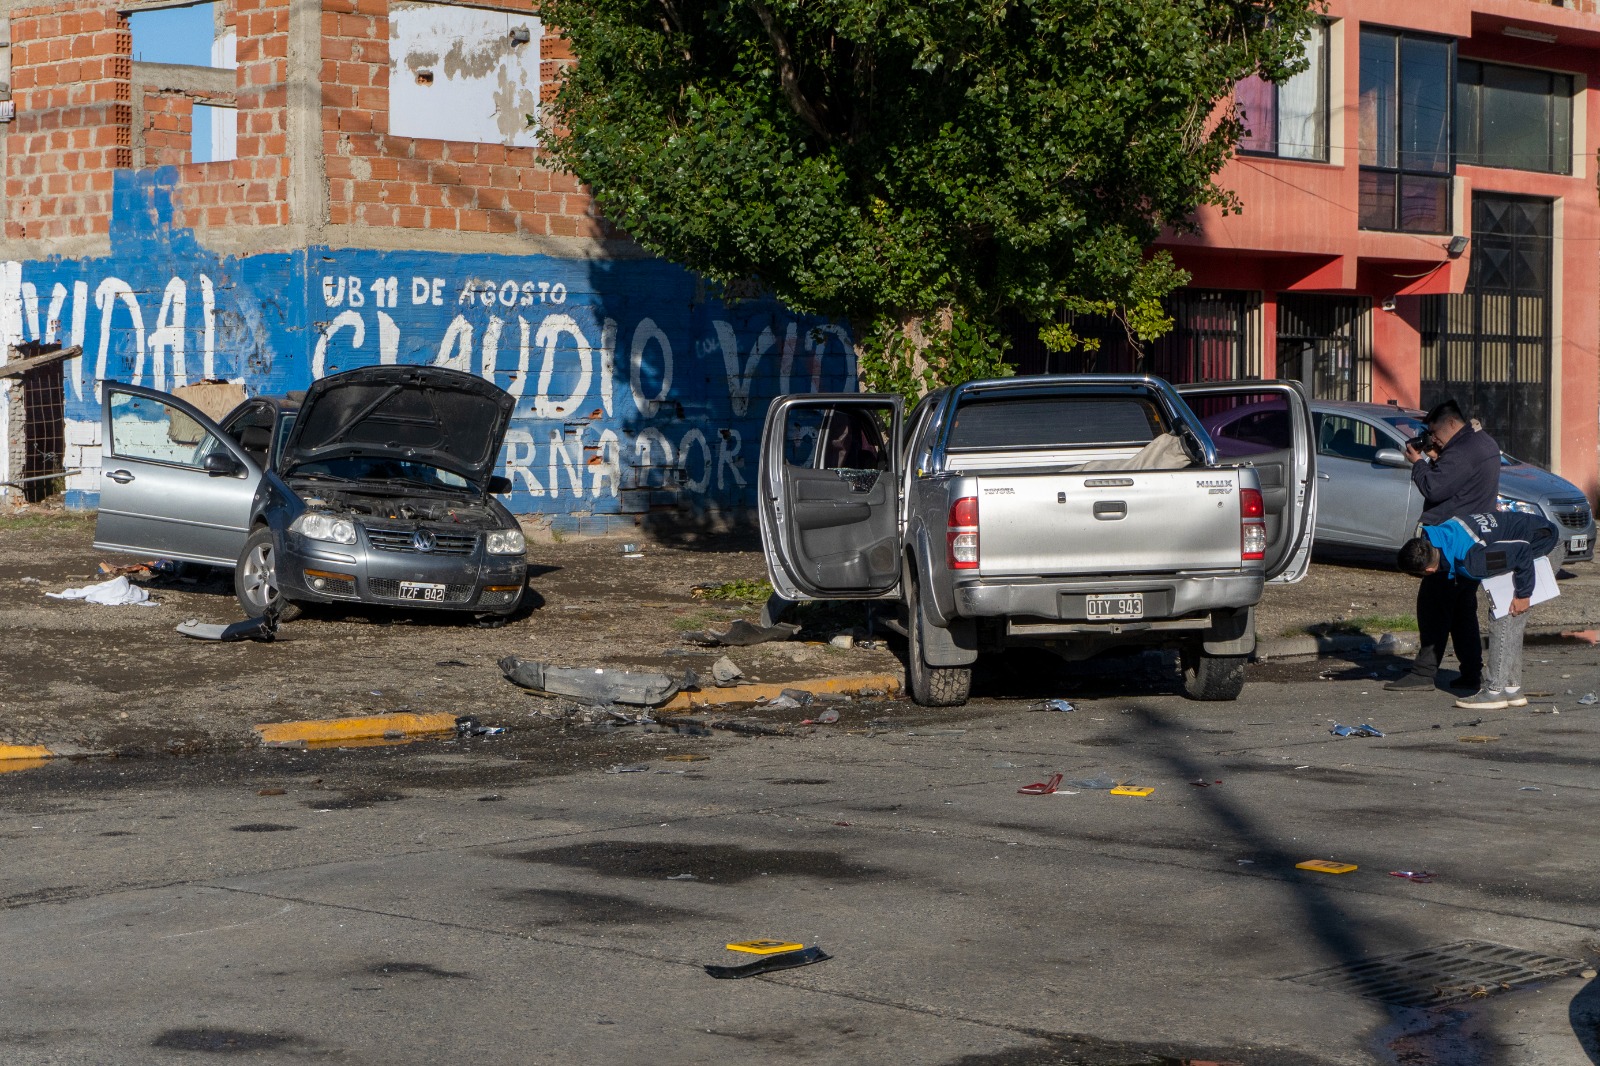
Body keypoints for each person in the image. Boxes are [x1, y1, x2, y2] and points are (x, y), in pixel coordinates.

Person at [1384, 399, 1500, 693]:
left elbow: (1434, 488)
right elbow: (1457, 485)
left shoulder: (1462, 451)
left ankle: (1423, 673)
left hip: (1448, 543)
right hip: (1471, 543)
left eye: (1434, 432)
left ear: (1451, 423)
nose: (1432, 438)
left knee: (1433, 607)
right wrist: (1436, 459)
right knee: (1462, 611)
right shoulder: (1483, 443)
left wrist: (1419, 463)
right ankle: (1471, 672)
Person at [1397, 510, 1560, 709]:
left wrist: (1523, 595)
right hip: (1533, 533)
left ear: (1429, 570)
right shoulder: (1442, 533)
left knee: (1503, 617)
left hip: (1543, 545)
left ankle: (1494, 692)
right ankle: (1512, 688)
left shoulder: (1472, 560)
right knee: (1512, 621)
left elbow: (1522, 552)